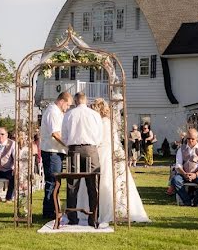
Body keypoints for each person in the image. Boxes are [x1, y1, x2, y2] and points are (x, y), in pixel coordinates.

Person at [76, 99, 151, 223]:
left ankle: (98, 209)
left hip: (103, 152)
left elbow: (98, 139)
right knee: (116, 181)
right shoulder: (110, 122)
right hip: (113, 152)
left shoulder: (101, 122)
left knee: (101, 180)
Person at [62, 92, 103, 225]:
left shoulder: (69, 114)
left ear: (75, 101)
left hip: (74, 150)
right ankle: (93, 218)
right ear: (85, 101)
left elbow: (64, 135)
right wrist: (93, 144)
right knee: (93, 185)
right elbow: (99, 135)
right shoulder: (95, 115)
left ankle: (73, 218)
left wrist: (70, 143)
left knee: (72, 185)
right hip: (91, 149)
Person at [40, 92, 72, 220]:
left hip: (55, 151)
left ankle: (53, 209)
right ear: (62, 101)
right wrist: (68, 146)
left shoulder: (57, 112)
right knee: (52, 182)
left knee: (55, 182)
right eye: (68, 105)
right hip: (52, 151)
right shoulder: (53, 112)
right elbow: (56, 134)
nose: (68, 108)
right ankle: (49, 211)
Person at [172, 128, 198, 207]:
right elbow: (178, 165)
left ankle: (196, 201)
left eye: (193, 139)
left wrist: (195, 175)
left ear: (197, 138)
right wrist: (184, 174)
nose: (190, 141)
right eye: (188, 138)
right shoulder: (181, 149)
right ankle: (187, 201)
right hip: (183, 173)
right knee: (175, 180)